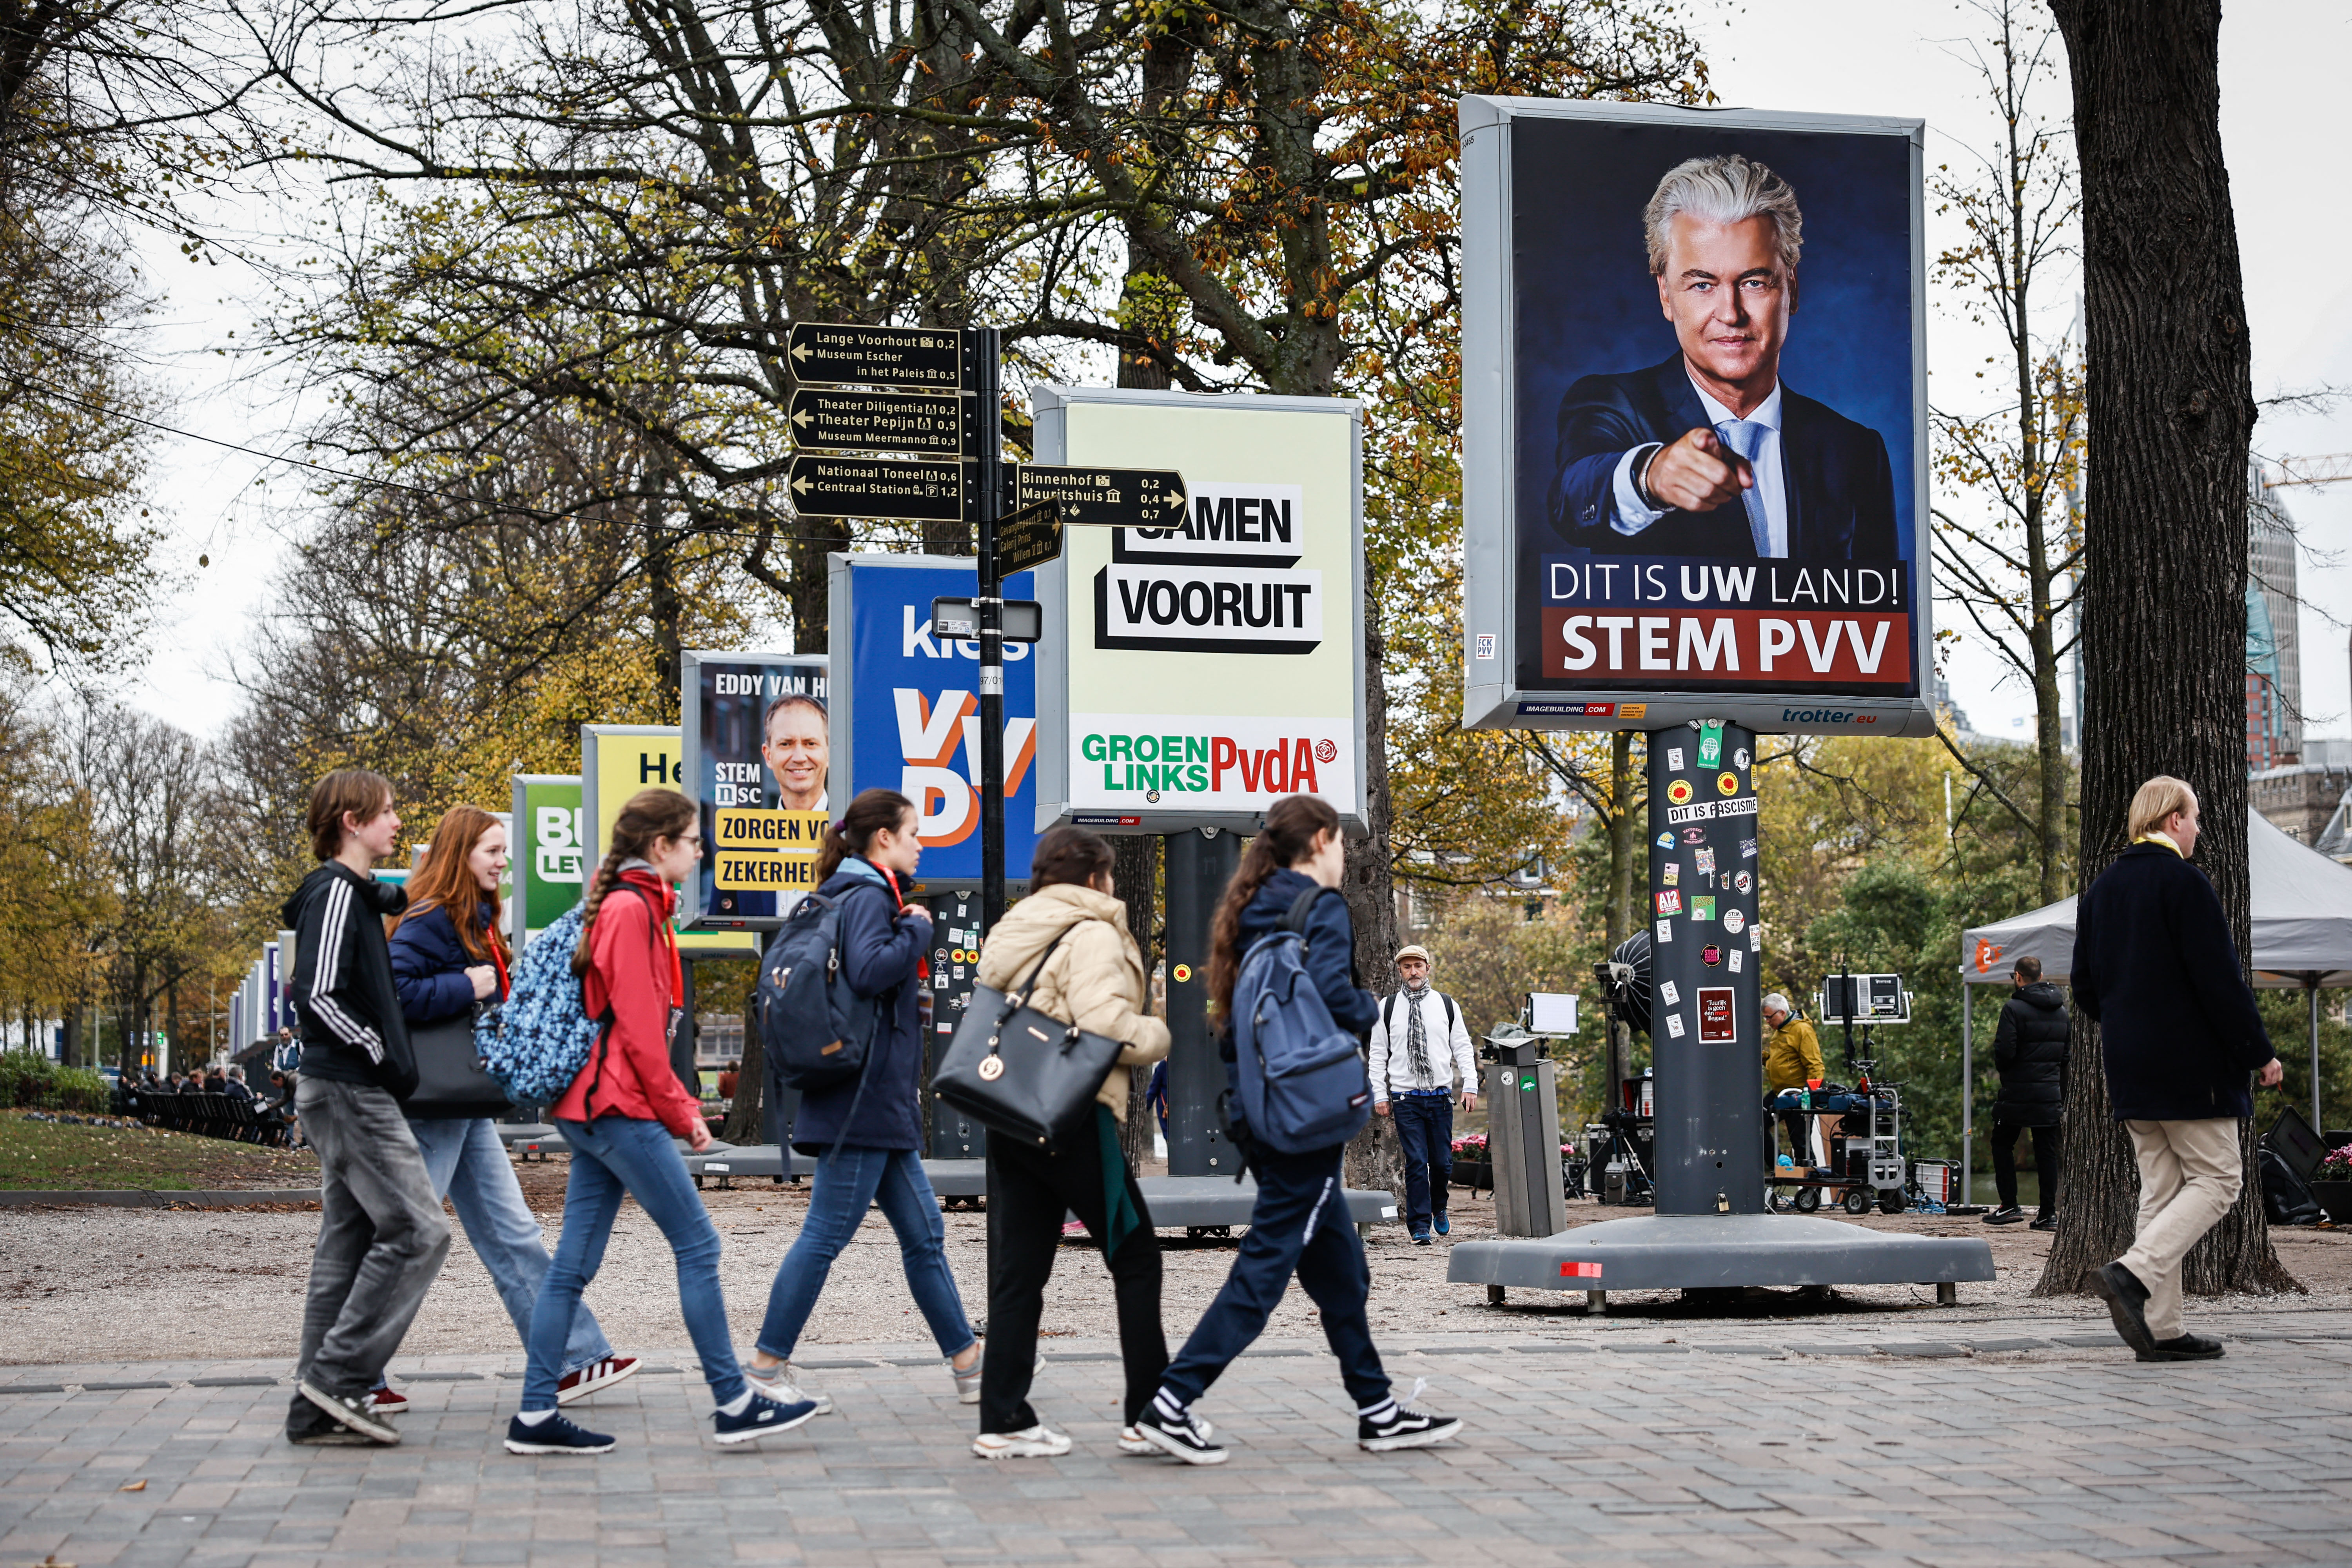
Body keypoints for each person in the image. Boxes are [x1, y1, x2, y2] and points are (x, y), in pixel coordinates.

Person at [1134, 794, 1461, 1465]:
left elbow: (1234, 1025)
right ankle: (1171, 1402)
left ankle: (1376, 1409)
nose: (1344, 855)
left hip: (1263, 1110)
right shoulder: (1319, 909)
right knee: (1264, 1270)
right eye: (1340, 842)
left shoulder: (1251, 910)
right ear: (1318, 841)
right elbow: (1336, 1002)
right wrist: (1369, 1005)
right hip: (1304, 1122)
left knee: (1341, 1272)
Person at [506, 788, 813, 1454]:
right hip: (618, 1107)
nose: (700, 850)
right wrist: (686, 1115)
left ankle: (534, 1414)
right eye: (692, 840)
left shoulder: (625, 905)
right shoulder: (631, 911)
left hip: (594, 1107)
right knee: (699, 1247)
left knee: (571, 1267)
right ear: (659, 847)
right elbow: (642, 1037)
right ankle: (733, 1401)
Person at [382, 804, 637, 1420]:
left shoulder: (470, 917)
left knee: (512, 1232)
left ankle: (575, 1357)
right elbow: (394, 992)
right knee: (411, 1237)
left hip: (460, 1103)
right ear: (459, 855)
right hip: (434, 1105)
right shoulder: (432, 918)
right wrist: (470, 986)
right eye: (493, 851)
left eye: (504, 852)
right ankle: (351, 1370)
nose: (504, 862)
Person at [744, 788, 978, 1413]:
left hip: (872, 1102)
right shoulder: (873, 896)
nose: (921, 844)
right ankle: (766, 1366)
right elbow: (873, 972)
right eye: (914, 834)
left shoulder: (843, 894)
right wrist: (919, 931)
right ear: (883, 840)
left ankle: (971, 1365)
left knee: (925, 1236)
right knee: (824, 1236)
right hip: (863, 1102)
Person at [1542, 153, 1897, 562]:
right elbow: (1573, 496)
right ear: (1665, 295)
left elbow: (1884, 617)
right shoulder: (1612, 405)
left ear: (1792, 289)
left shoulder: (1855, 451)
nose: (1731, 313)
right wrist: (1651, 476)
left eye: (1753, 282)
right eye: (1702, 286)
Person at [969, 825, 1172, 1460]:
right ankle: (1149, 1413)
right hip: (1074, 1117)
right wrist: (1161, 1036)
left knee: (1020, 1272)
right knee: (1137, 1257)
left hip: (1010, 1112)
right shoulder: (1090, 934)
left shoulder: (1014, 928)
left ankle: (1003, 1416)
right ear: (1095, 879)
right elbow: (1104, 1025)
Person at [2074, 776, 2283, 1363]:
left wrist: (2130, 1021)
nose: (2198, 829)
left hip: (2130, 1066)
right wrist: (2258, 1053)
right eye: (2194, 818)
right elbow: (2220, 983)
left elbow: (2087, 988)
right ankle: (2133, 1274)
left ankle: (2161, 1329)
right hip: (2192, 1069)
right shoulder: (2186, 886)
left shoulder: (2102, 891)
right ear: (2171, 820)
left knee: (2161, 1192)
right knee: (2221, 1181)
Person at [281, 769, 453, 1446]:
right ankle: (340, 1378)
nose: (398, 823)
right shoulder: (331, 896)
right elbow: (317, 995)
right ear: (351, 821)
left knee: (346, 1243)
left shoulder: (355, 894)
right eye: (387, 813)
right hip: (350, 1087)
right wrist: (379, 1050)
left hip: (345, 1088)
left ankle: (314, 1398)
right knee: (419, 1232)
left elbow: (395, 892)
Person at [1367, 944, 1477, 1245]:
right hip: (1406, 1098)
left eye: (1418, 965)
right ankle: (1419, 1226)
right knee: (1417, 1161)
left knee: (1441, 1163)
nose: (1413, 972)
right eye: (1407, 967)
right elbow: (1377, 1054)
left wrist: (1470, 1084)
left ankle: (1439, 1207)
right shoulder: (1387, 1008)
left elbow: (1463, 1047)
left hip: (1440, 1096)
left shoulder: (1446, 1005)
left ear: (1428, 968)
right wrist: (1380, 1093)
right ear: (1400, 972)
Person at [1984, 955, 2068, 1230]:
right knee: (2046, 1151)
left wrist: (2008, 1074)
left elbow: (2005, 1052)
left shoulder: (2013, 1009)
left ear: (2019, 977)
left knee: (2001, 1142)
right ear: (2041, 976)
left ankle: (2009, 1205)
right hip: (2049, 1092)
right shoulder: (2062, 1011)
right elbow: (2066, 1056)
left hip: (2018, 1092)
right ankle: (2048, 1214)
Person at [1761, 993, 1829, 1176]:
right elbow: (1783, 1061)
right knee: (1756, 1122)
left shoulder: (1801, 1030)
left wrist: (1809, 1095)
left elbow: (1815, 1065)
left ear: (1782, 1013)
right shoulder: (1781, 1030)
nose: (1767, 1022)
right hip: (1780, 1093)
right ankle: (1779, 1163)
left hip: (1798, 1094)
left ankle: (1811, 1184)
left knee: (1800, 1141)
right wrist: (1765, 1058)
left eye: (1769, 1017)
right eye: (1765, 1018)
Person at [761, 693, 829, 812]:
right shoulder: (750, 829)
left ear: (830, 754)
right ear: (768, 756)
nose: (799, 758)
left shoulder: (856, 829)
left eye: (810, 744)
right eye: (786, 744)